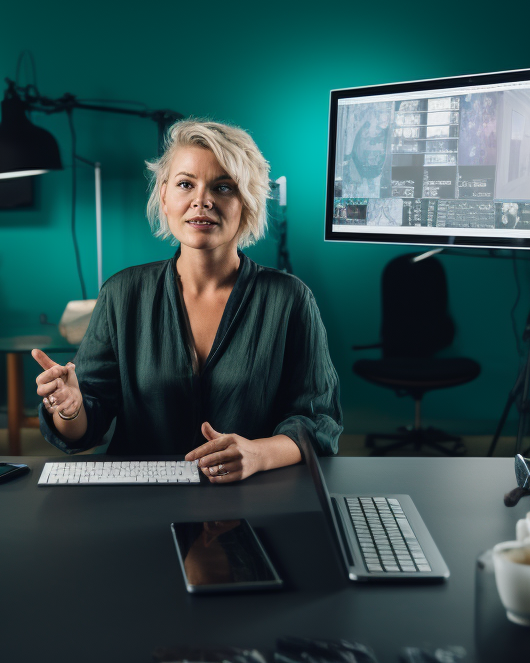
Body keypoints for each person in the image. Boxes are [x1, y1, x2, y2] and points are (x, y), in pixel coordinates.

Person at [31, 120, 342, 482]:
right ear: (165, 196)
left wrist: (259, 454)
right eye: (185, 184)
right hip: (139, 502)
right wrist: (70, 408)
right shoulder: (122, 292)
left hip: (252, 497)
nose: (202, 200)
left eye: (223, 187)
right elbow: (87, 425)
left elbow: (320, 421)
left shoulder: (290, 298)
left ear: (247, 202)